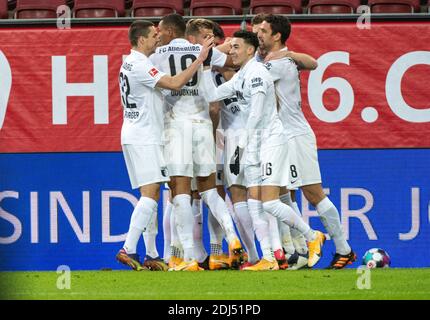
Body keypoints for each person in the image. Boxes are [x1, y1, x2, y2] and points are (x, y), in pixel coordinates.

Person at [202, 30, 326, 270]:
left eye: (236, 47)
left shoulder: (257, 72)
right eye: (231, 48)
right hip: (254, 143)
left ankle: (312, 236)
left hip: (269, 142)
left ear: (250, 50)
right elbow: (212, 95)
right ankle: (269, 258)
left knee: (268, 203)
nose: (232, 52)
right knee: (254, 203)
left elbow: (257, 112)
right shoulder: (240, 77)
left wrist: (243, 144)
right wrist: (206, 66)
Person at [258, 14, 356, 269]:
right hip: (280, 136)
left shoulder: (277, 65)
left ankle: (344, 250)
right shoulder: (272, 61)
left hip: (295, 135)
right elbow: (308, 62)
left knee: (313, 193)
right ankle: (300, 251)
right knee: (280, 193)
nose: (259, 35)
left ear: (277, 35)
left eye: (264, 31)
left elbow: (311, 63)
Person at [115, 20, 213, 271]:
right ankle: (128, 248)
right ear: (140, 41)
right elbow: (175, 83)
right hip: (144, 136)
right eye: (152, 35)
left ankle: (151, 253)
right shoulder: (138, 65)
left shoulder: (131, 62)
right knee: (150, 195)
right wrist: (200, 57)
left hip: (135, 132)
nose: (157, 38)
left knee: (151, 195)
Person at [150, 14, 245, 271]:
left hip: (176, 125)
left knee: (179, 191)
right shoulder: (200, 50)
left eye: (161, 30)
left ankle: (189, 257)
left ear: (171, 31)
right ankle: (232, 237)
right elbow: (232, 62)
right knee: (210, 190)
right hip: (203, 124)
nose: (159, 35)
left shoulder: (156, 55)